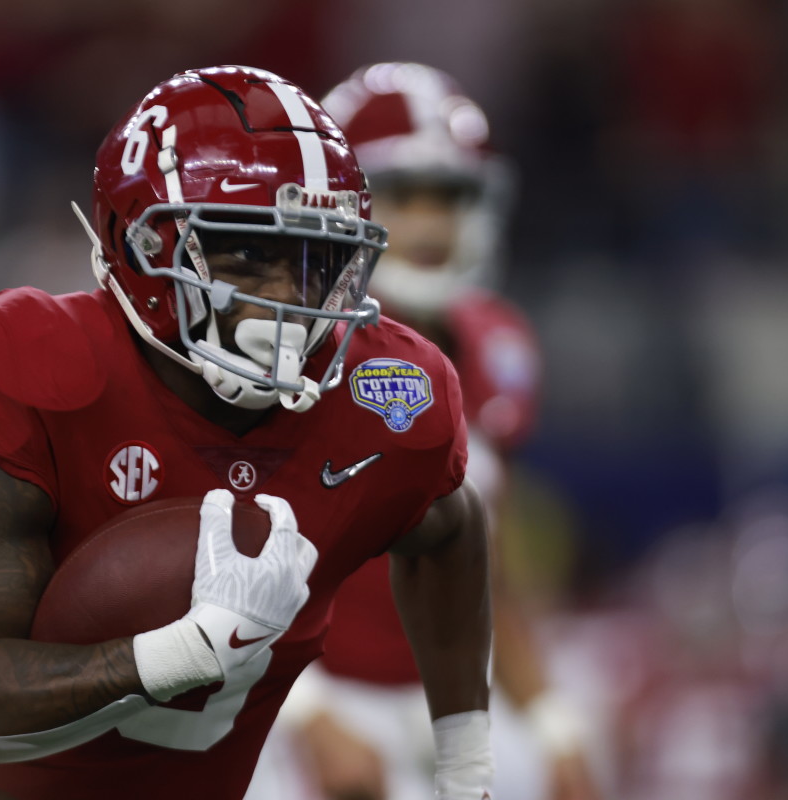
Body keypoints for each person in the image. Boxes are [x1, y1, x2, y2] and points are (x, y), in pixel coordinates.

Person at [0, 65, 494, 800]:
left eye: (317, 260)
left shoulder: (386, 394)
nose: (286, 300)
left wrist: (465, 768)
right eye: (247, 254)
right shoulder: (44, 367)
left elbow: (451, 531)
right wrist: (186, 650)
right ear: (139, 243)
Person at [246, 63, 600, 800]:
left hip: (437, 693)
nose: (432, 224)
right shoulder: (281, 346)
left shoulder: (499, 346)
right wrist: (307, 716)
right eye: (405, 196)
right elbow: (216, 565)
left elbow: (488, 572)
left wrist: (557, 723)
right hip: (286, 688)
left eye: (453, 196)